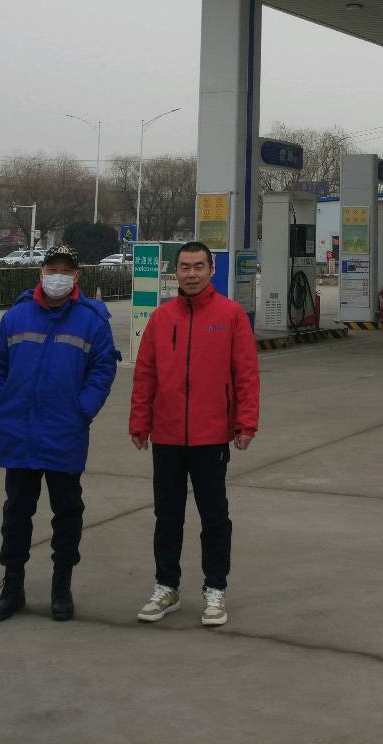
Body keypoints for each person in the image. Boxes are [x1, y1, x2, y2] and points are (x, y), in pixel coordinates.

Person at [0, 243, 118, 623]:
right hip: (18, 430)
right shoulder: (17, 315)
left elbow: (102, 370)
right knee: (16, 511)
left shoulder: (92, 320)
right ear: (41, 273)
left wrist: (83, 409)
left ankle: (61, 586)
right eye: (52, 269)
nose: (58, 276)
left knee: (67, 510)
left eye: (66, 270)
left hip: (63, 431)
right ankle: (12, 586)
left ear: (77, 276)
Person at [129, 240, 259, 628]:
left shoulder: (231, 315)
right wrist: (139, 421)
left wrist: (246, 422)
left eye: (199, 266)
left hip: (211, 436)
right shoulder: (161, 318)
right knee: (167, 516)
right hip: (167, 435)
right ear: (175, 272)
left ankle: (215, 589)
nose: (191, 274)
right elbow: (145, 373)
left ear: (211, 270)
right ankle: (166, 587)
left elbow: (245, 373)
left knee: (214, 516)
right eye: (184, 267)